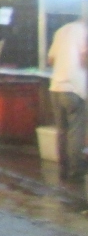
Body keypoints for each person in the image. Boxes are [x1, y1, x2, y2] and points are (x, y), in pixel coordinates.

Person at [48, 13, 87, 181]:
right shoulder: (85, 32)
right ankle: (75, 171)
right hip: (74, 88)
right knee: (75, 131)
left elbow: (50, 60)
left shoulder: (61, 31)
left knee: (62, 131)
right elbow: (85, 59)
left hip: (56, 88)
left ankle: (63, 169)